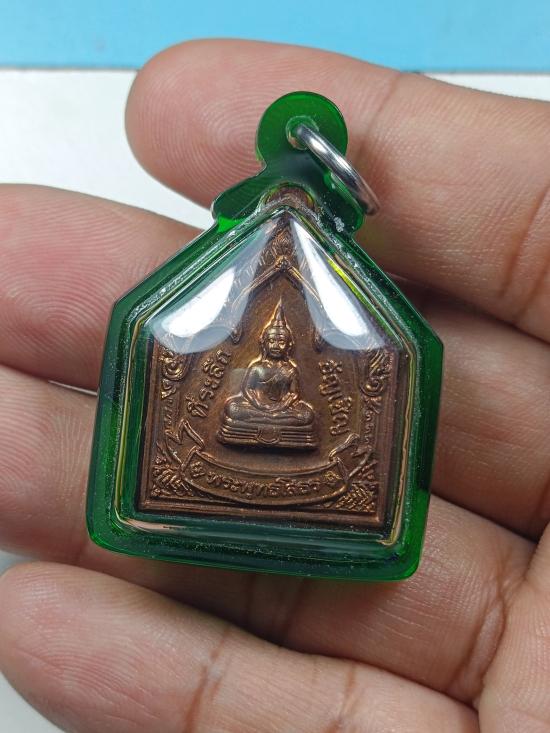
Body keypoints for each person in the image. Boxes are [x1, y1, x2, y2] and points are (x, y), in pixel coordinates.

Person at [0, 39, 549, 733]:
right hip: (241, 422)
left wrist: (284, 400)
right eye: (275, 343)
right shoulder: (255, 358)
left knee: (295, 412)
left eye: (284, 343)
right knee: (238, 403)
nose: (278, 347)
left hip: (291, 431)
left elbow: (295, 402)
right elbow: (244, 397)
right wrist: (257, 395)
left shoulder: (298, 361)